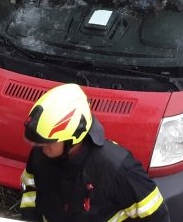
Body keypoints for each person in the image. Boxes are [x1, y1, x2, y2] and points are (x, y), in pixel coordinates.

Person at [20, 83, 170, 222]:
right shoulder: (41, 155)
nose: (40, 147)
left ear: (74, 137)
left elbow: (157, 215)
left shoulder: (116, 168)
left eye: (49, 142)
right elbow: (31, 191)